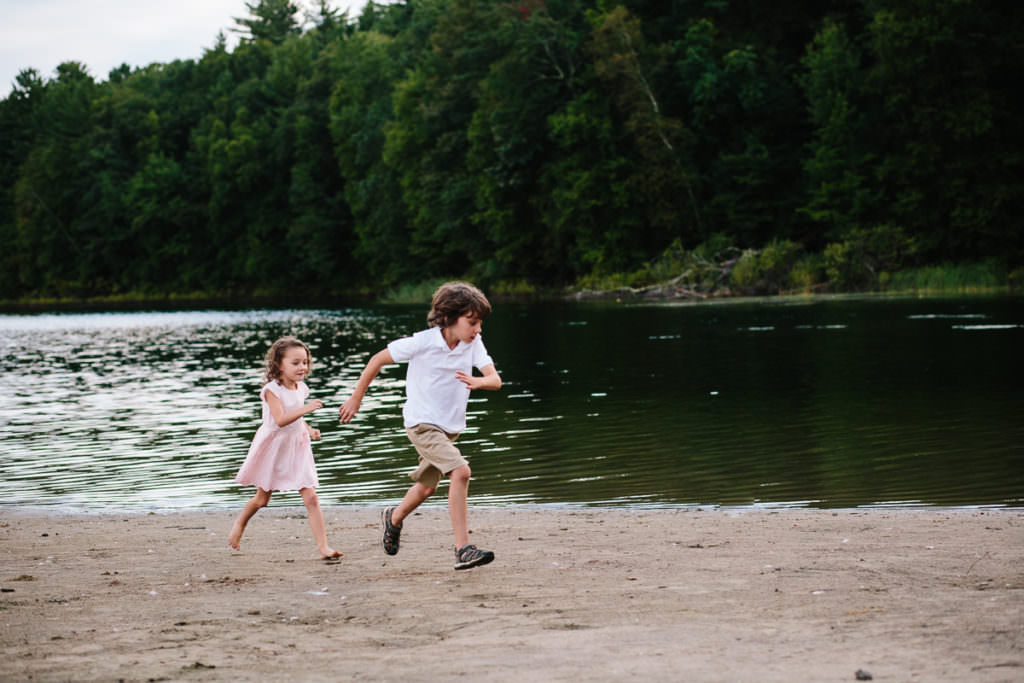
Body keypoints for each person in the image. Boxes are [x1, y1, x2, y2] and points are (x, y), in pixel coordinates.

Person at [339, 282, 502, 570]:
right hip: (421, 424)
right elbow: (378, 359)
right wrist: (356, 398)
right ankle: (462, 548)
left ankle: (394, 518)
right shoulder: (423, 342)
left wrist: (479, 381)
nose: (478, 329)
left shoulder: (473, 343)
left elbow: (495, 380)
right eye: (473, 322)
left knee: (427, 487)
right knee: (461, 471)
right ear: (450, 318)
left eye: (480, 323)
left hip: (449, 427)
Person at [229, 336, 342, 561]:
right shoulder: (272, 390)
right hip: (274, 447)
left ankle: (324, 548)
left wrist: (309, 430)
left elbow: (296, 416)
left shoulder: (301, 388)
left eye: (305, 362)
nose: (303, 367)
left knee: (311, 498)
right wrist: (307, 410)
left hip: (297, 446)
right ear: (279, 364)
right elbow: (280, 419)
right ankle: (240, 523)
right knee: (262, 500)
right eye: (296, 363)